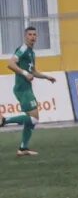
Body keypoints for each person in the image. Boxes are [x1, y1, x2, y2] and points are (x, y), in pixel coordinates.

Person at [0, 26, 57, 156]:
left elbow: (34, 71)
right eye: (30, 34)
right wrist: (25, 73)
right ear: (25, 36)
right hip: (22, 89)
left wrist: (46, 77)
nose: (33, 37)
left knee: (31, 121)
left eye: (35, 35)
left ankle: (23, 148)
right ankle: (4, 120)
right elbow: (11, 64)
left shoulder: (31, 52)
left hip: (27, 88)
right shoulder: (23, 49)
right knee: (34, 119)